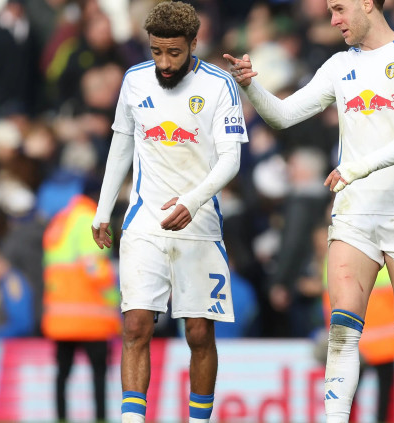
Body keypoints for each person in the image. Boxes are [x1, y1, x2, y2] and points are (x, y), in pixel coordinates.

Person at [224, 0, 394, 421]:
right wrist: (251, 86)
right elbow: (283, 115)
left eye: (339, 8)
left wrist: (359, 166)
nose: (333, 20)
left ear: (367, 3)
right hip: (353, 212)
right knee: (342, 332)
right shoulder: (339, 65)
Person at [90, 2, 248, 423]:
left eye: (174, 52)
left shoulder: (219, 85)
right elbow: (121, 145)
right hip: (144, 221)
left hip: (199, 223)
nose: (164, 62)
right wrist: (103, 210)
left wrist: (191, 202)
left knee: (199, 332)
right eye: (156, 51)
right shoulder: (134, 80)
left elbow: (231, 160)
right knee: (136, 325)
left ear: (194, 43)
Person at [42, 187, 121, 423]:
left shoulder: (61, 220)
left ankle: (61, 418)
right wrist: (116, 299)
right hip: (92, 316)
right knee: (99, 374)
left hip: (61, 316)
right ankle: (100, 418)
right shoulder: (90, 219)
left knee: (62, 373)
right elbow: (94, 267)